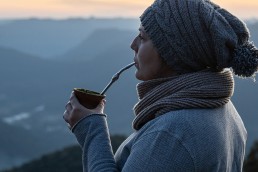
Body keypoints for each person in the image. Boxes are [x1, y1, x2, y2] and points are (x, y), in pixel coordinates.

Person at [63, 0, 258, 171]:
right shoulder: (224, 110)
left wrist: (91, 129)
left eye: (142, 37)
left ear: (175, 52)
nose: (133, 44)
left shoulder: (172, 133)